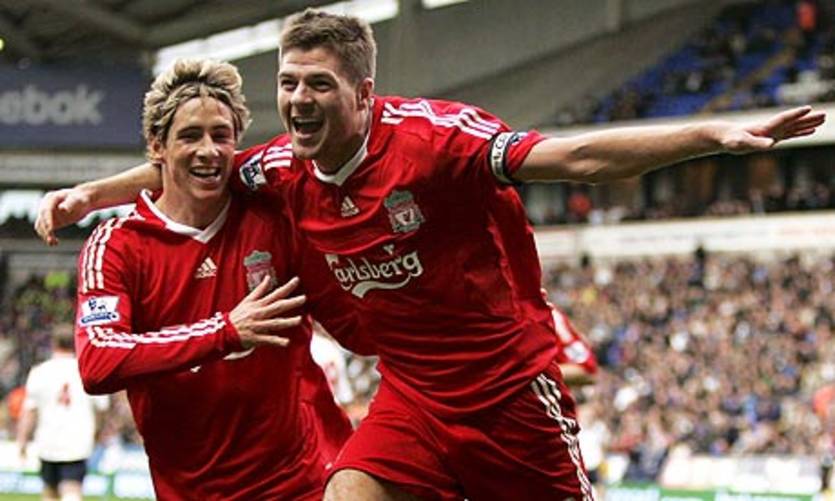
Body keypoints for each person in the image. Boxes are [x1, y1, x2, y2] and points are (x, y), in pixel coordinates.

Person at [35, 9, 826, 501]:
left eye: (317, 85)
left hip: (508, 393)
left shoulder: (436, 141)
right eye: (288, 83)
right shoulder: (277, 168)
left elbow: (578, 157)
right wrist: (90, 194)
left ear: (363, 93)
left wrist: (709, 135)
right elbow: (191, 164)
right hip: (413, 397)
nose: (298, 100)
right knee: (348, 493)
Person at [68, 58, 353, 500]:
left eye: (221, 135)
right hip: (191, 490)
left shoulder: (275, 216)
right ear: (157, 146)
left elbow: (335, 151)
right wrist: (226, 331)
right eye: (190, 136)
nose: (209, 150)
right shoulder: (116, 245)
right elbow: (98, 362)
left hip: (302, 481)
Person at [16, 324, 109, 501]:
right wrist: (98, 432)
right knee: (72, 489)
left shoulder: (40, 372)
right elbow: (102, 408)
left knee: (50, 491)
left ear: (53, 343)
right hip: (78, 441)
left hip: (47, 441)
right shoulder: (86, 370)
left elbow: (29, 412)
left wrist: (22, 441)